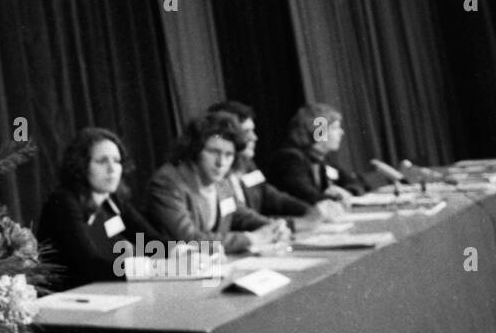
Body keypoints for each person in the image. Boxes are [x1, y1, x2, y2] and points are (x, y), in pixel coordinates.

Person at [142, 112, 291, 254]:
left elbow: (240, 215)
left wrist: (272, 226)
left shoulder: (221, 182)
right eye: (214, 152)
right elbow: (189, 238)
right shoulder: (167, 182)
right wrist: (250, 239)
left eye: (229, 155)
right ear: (195, 150)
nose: (221, 162)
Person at [37, 128, 164, 290]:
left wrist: (185, 254)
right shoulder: (63, 202)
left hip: (100, 294)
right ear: (81, 166)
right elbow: (89, 265)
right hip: (65, 299)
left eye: (117, 161)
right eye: (102, 161)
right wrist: (143, 269)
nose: (112, 169)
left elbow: (152, 242)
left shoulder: (113, 201)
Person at [208, 100, 345, 222]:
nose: (254, 137)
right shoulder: (290, 158)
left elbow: (270, 195)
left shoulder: (247, 164)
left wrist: (310, 210)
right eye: (246, 131)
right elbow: (196, 240)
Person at [263, 102, 367, 207]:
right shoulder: (290, 159)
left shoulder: (321, 159)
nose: (341, 132)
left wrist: (347, 192)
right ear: (318, 132)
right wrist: (339, 197)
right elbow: (309, 197)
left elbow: (355, 184)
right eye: (335, 128)